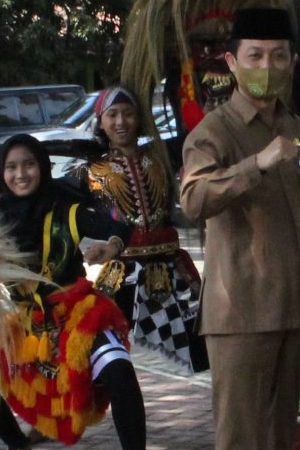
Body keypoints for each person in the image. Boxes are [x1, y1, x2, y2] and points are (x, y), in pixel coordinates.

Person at [179, 4, 300, 450]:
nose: (268, 65)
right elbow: (194, 199)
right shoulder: (214, 132)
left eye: (278, 55)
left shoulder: (299, 131)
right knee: (241, 439)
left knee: (280, 435)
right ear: (232, 61)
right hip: (240, 309)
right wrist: (254, 165)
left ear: (292, 61)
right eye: (255, 55)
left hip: (295, 307)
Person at [0, 134, 162, 450]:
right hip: (26, 324)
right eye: (12, 167)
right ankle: (18, 449)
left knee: (118, 369)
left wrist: (109, 247)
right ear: (1, 172)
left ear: (43, 168)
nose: (21, 174)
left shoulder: (68, 210)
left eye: (29, 165)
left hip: (76, 313)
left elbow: (118, 225)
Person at [80, 85, 207, 373]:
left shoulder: (162, 156)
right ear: (101, 121)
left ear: (139, 118)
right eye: (112, 115)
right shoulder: (91, 170)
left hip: (174, 269)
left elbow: (197, 131)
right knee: (104, 348)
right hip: (123, 272)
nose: (121, 122)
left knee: (198, 346)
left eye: (128, 113)